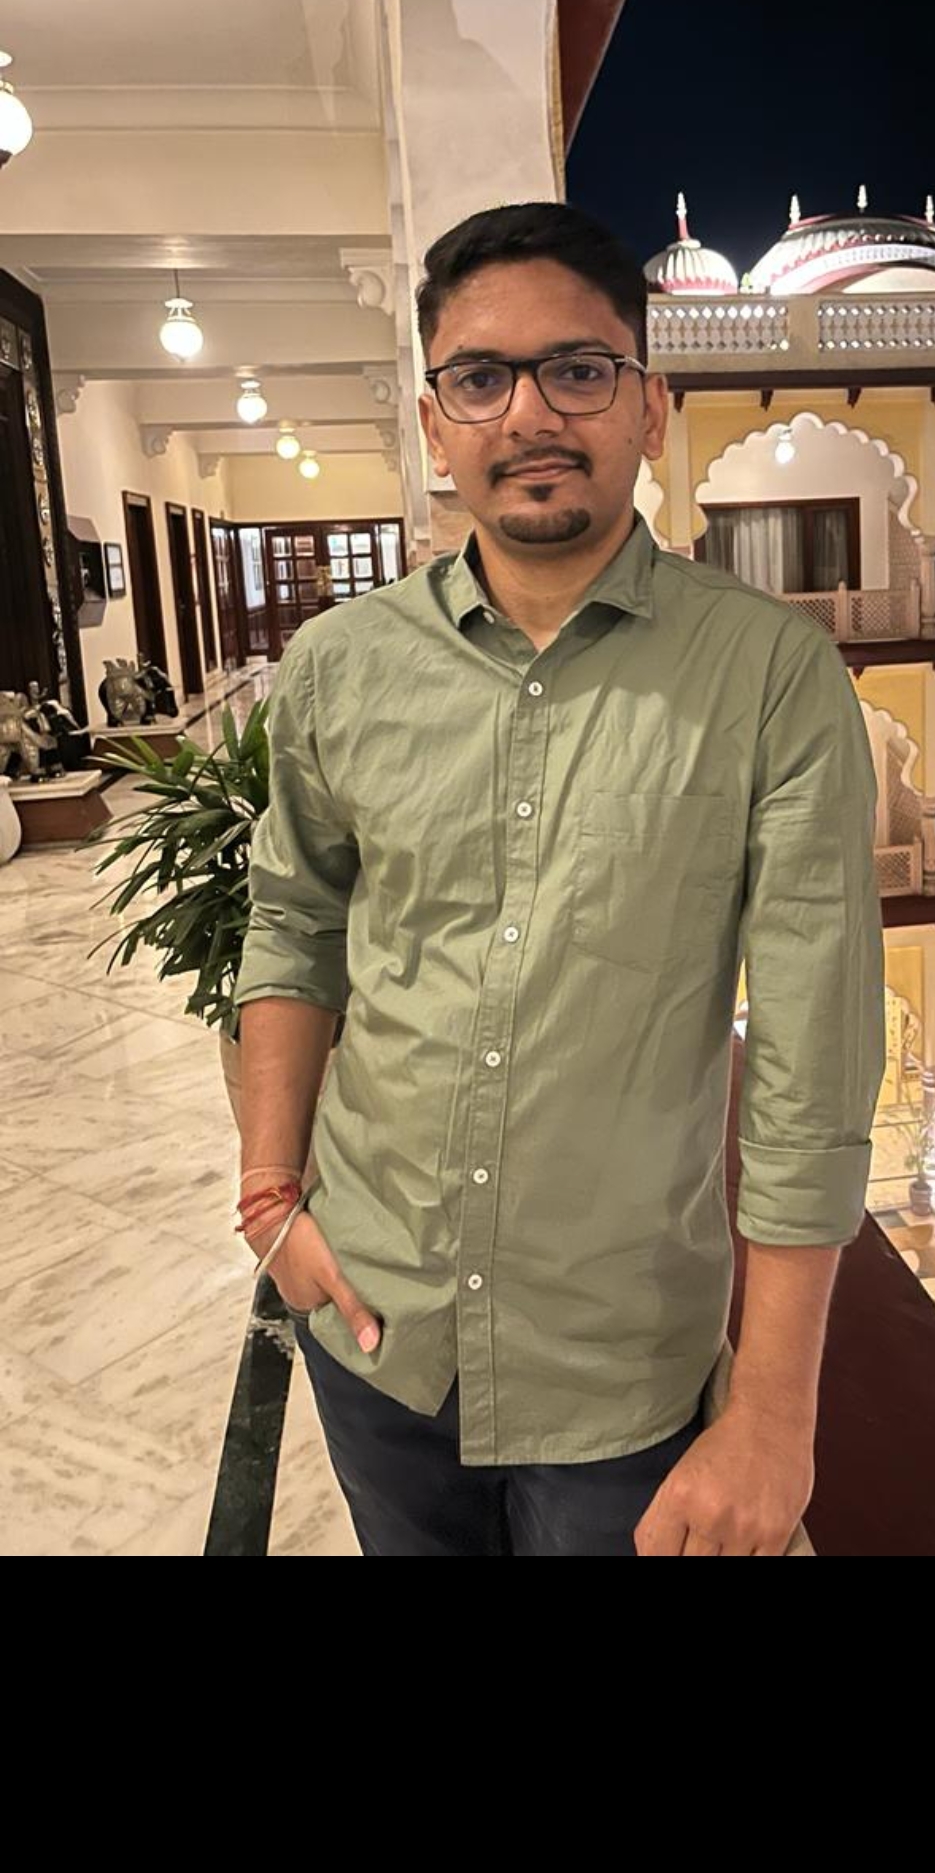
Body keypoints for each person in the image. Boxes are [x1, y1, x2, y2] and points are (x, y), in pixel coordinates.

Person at [234, 202, 885, 1557]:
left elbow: (812, 1062)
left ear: (650, 409)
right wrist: (269, 1201)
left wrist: (774, 1412)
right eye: (481, 377)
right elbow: (294, 926)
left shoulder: (769, 676)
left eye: (578, 370)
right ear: (435, 427)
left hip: (620, 1372)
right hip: (375, 1330)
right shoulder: (341, 667)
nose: (530, 413)